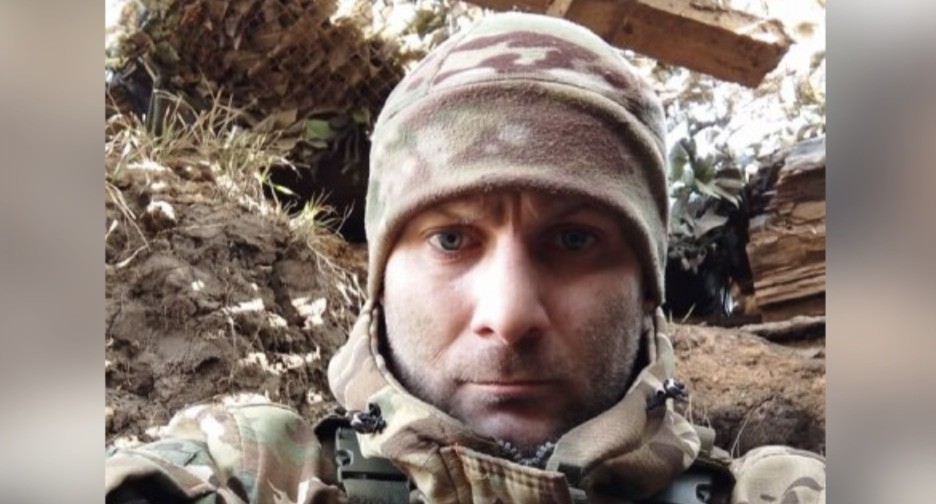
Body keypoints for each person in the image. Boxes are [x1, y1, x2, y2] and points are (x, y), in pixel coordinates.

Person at [105, 12, 826, 504]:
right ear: (380, 282)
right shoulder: (251, 472)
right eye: (451, 239)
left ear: (647, 288)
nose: (508, 317)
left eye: (574, 240)